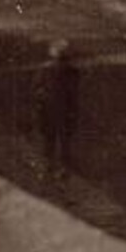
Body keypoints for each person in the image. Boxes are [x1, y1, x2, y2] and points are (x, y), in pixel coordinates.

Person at [32, 39, 79, 171]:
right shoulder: (72, 71)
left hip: (48, 107)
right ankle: (63, 165)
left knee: (49, 138)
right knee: (64, 139)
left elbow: (36, 89)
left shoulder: (45, 69)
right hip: (65, 108)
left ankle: (48, 163)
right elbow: (74, 92)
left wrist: (39, 103)